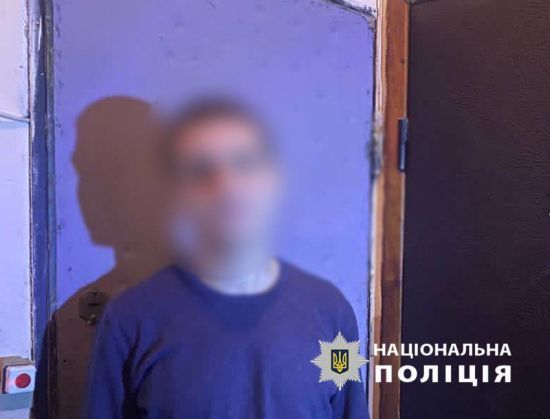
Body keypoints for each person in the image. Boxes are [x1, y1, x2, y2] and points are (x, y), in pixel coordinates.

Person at [83, 98, 368, 418]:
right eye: (201, 170)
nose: (226, 187)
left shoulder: (331, 312)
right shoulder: (129, 319)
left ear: (273, 182)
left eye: (244, 164)